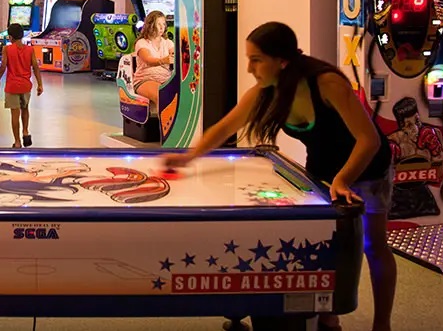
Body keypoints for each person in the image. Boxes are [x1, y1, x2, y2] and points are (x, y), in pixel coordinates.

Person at [163, 22, 396, 331]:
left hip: (367, 167)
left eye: (256, 59)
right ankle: (328, 316)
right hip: (322, 169)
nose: (249, 68)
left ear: (282, 60)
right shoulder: (265, 92)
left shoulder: (326, 83)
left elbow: (369, 140)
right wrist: (188, 158)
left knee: (373, 245)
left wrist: (342, 180)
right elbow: (224, 128)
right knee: (329, 244)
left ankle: (382, 324)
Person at [0, 23, 43, 148]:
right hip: (26, 86)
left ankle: (17, 142)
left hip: (12, 86)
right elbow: (35, 67)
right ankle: (25, 131)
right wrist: (40, 84)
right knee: (25, 109)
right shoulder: (30, 50)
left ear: (10, 37)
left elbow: (3, 66)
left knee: (15, 114)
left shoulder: (7, 49)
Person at [132, 11, 173, 114]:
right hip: (145, 79)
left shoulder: (167, 42)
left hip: (165, 79)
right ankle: (164, 124)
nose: (162, 27)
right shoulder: (141, 43)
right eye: (158, 24)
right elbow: (148, 60)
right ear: (150, 25)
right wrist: (164, 60)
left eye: (163, 24)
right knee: (161, 96)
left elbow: (176, 54)